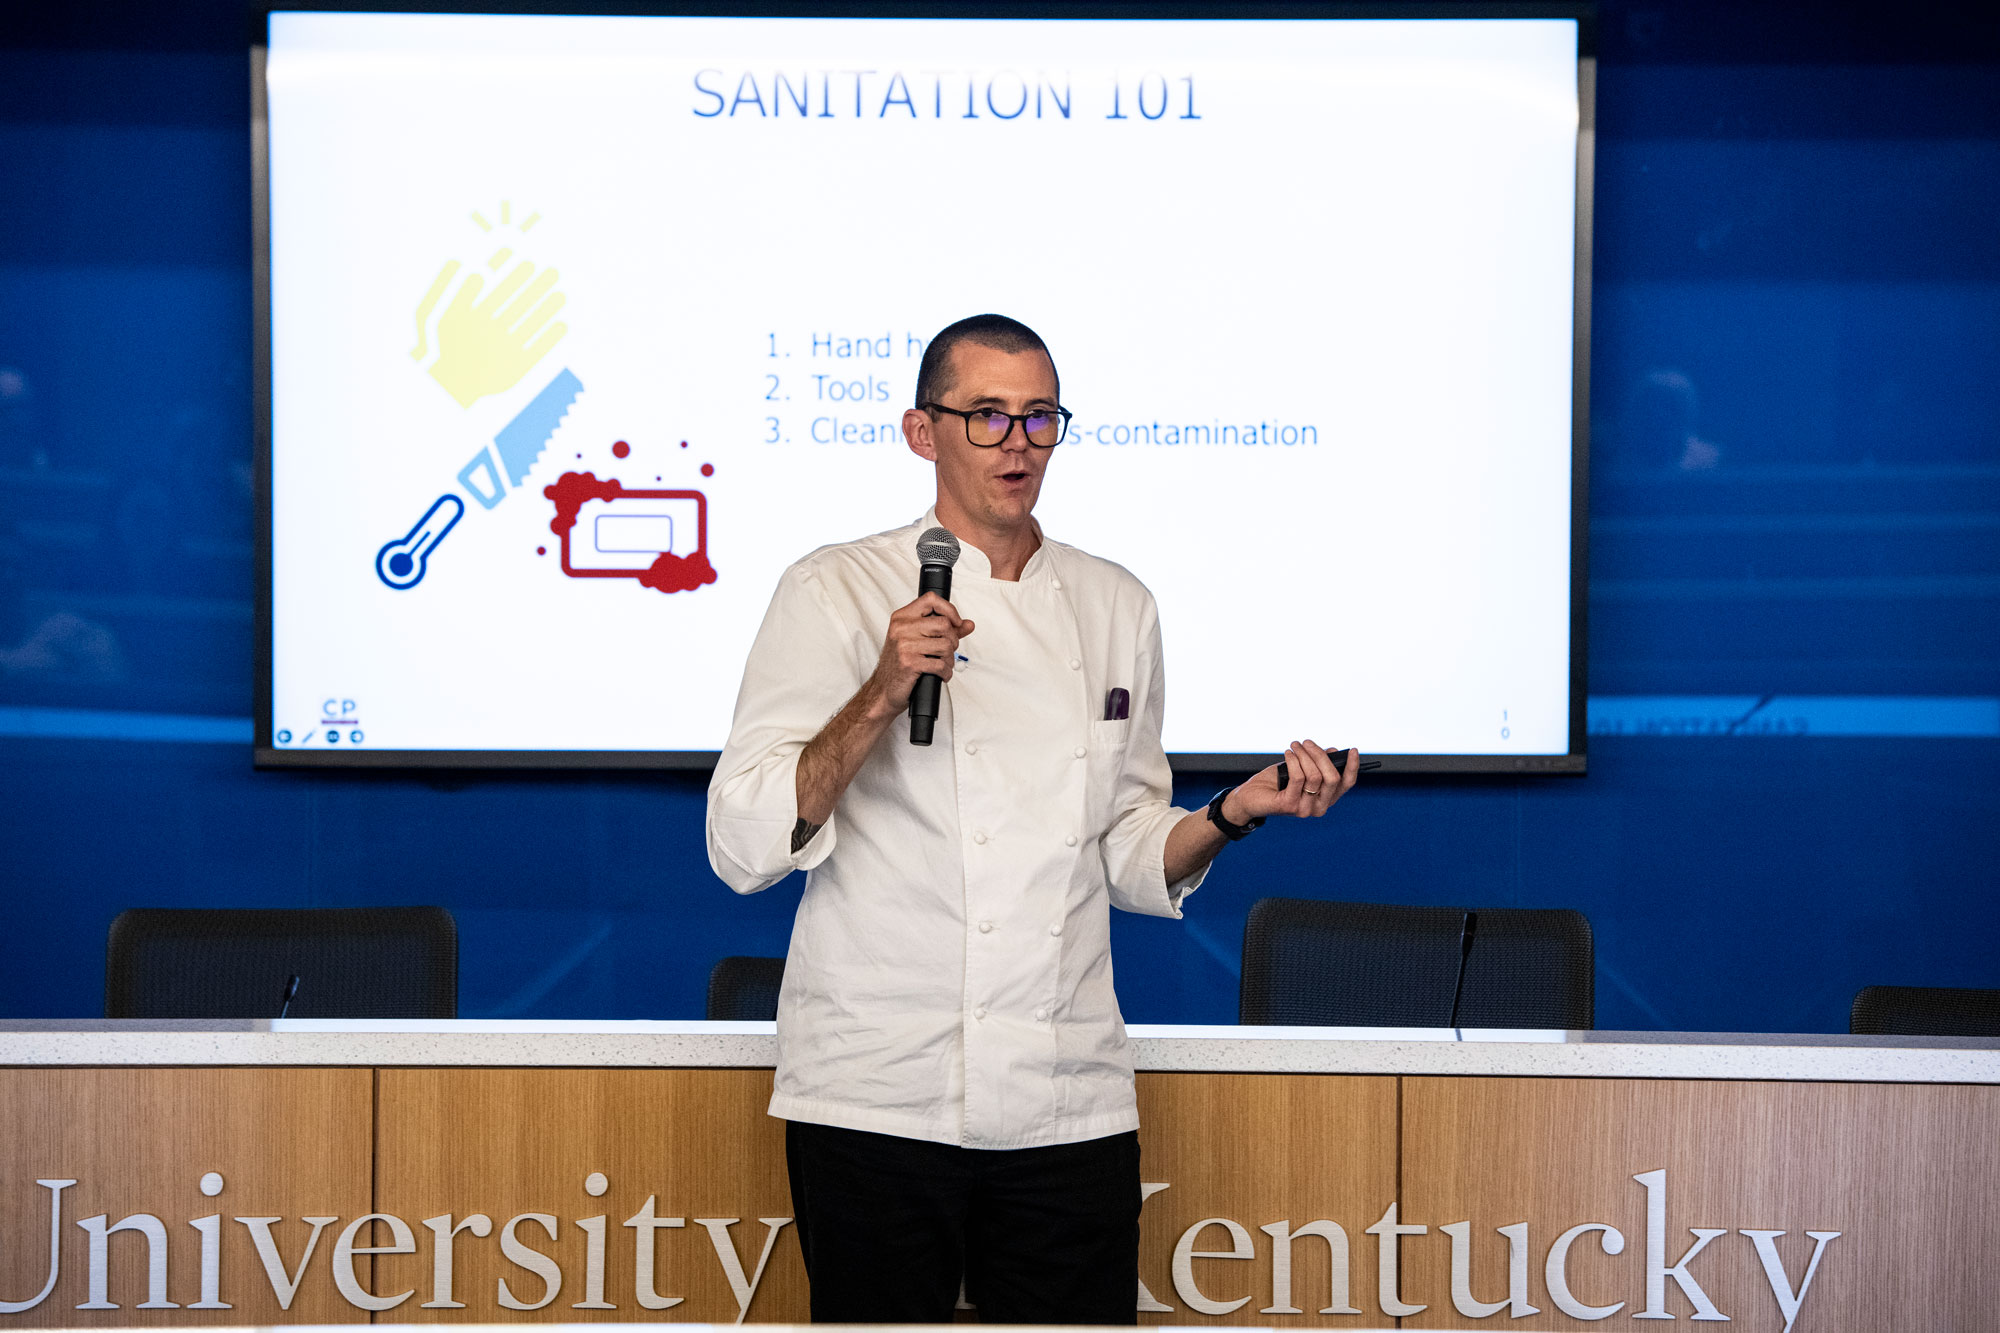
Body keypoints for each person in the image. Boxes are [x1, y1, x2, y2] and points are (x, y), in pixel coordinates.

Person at [706, 313, 1360, 1324]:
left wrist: (1234, 810)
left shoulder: (1114, 605)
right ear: (922, 433)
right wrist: (881, 689)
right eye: (985, 416)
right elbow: (744, 839)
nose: (1017, 442)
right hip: (878, 1086)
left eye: (1038, 416)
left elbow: (1129, 848)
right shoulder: (832, 589)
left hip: (1063, 1091)